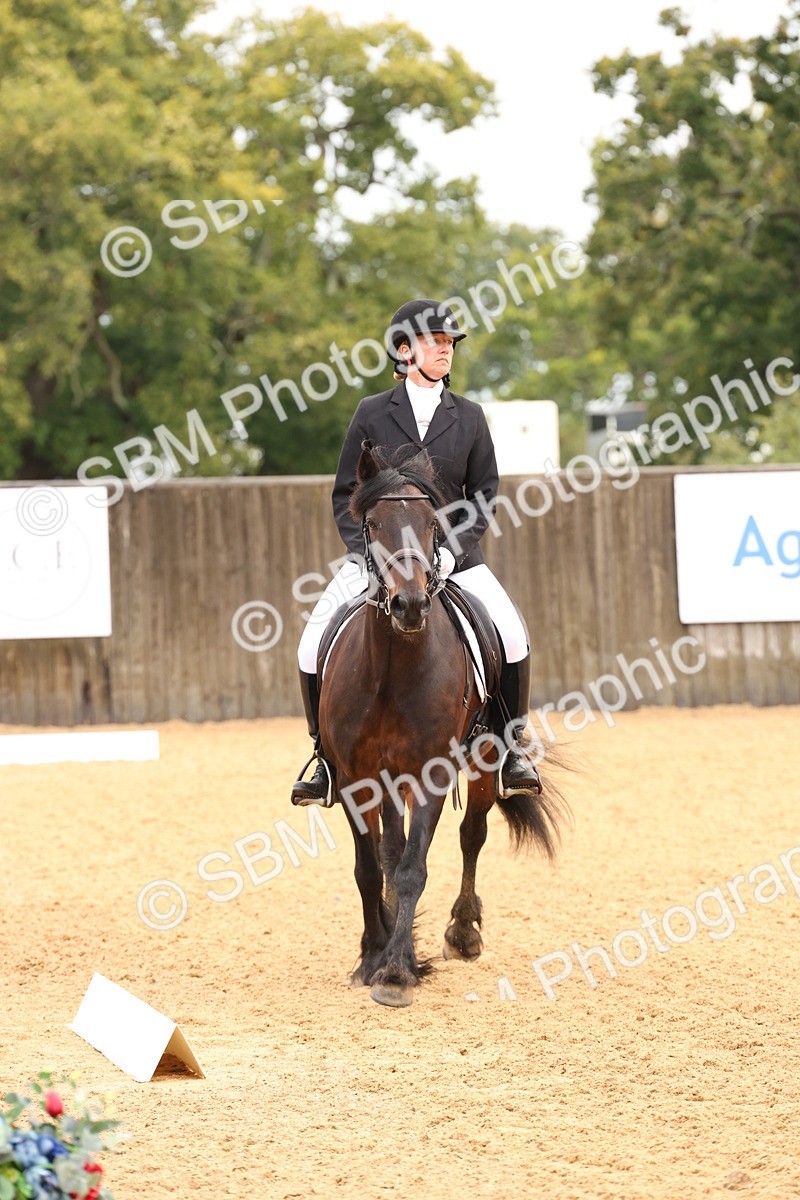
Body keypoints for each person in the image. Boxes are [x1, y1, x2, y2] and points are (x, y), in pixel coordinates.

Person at [290, 298, 541, 806]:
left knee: (512, 635)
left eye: (449, 344)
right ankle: (325, 759)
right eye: (434, 342)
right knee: (309, 641)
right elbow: (346, 495)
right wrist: (365, 555)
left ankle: (511, 751)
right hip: (380, 560)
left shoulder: (468, 417)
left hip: (454, 558)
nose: (445, 351)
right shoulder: (371, 413)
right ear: (405, 351)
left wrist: (450, 552)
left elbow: (485, 493)